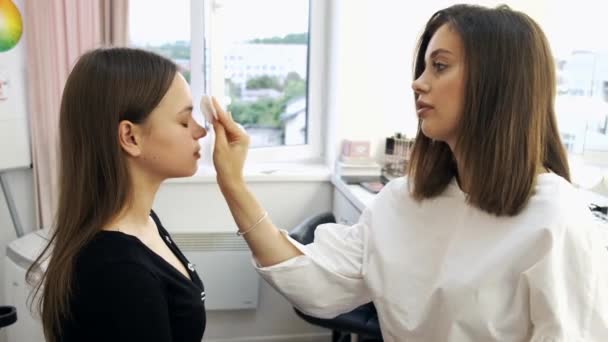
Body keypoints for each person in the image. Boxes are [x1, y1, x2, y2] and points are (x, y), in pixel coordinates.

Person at [211, 4, 608, 341]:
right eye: (424, 68)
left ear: (497, 84)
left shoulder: (556, 220)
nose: (418, 83)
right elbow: (314, 281)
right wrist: (233, 184)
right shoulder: (405, 200)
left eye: (439, 67)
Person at [27, 48, 208, 342]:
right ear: (130, 137)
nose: (201, 131)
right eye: (185, 121)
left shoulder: (145, 223)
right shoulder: (119, 274)